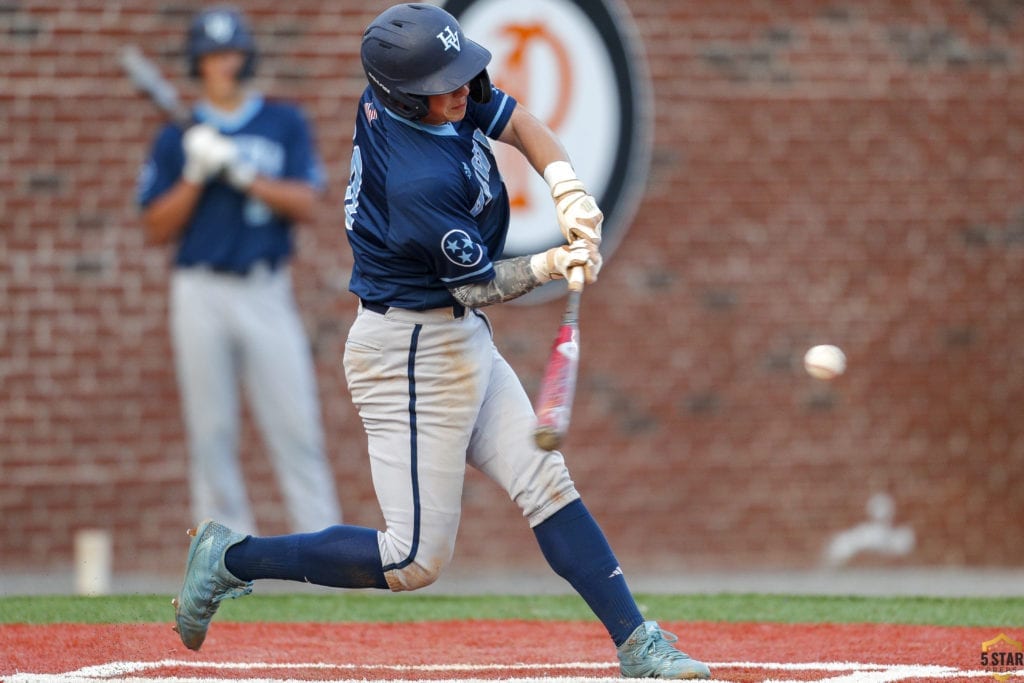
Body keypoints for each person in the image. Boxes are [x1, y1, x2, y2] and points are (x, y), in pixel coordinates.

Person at [171, 4, 710, 679]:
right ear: (404, 95)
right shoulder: (418, 179)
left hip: (457, 340)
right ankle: (231, 557)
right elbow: (477, 287)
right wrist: (549, 263)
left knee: (545, 480)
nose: (463, 91)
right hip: (407, 352)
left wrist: (567, 189)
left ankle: (638, 643)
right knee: (412, 559)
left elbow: (519, 123)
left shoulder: (428, 95)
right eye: (445, 85)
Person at [137, 5, 342, 536]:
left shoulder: (283, 121)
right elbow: (155, 227)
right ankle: (223, 559)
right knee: (211, 432)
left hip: (265, 287)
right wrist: (196, 174)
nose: (224, 64)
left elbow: (305, 201)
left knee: (296, 425)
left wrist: (242, 172)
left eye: (231, 53)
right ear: (197, 64)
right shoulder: (175, 137)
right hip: (199, 290)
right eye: (212, 56)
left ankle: (321, 550)